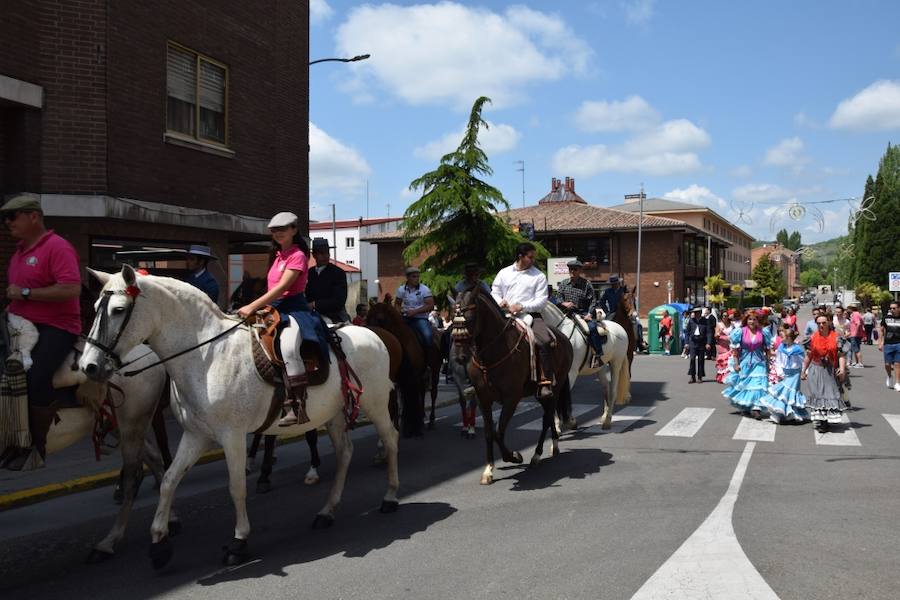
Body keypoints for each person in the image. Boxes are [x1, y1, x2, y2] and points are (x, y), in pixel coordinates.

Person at [1, 194, 81, 469]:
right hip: (21, 325)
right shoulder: (18, 254)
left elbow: (71, 289)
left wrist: (25, 293)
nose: (7, 222)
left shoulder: (57, 247)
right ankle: (11, 436)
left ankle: (36, 446)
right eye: (5, 218)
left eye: (12, 216)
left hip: (57, 326)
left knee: (35, 376)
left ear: (33, 216)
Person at [237, 211, 319, 426]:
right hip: (272, 308)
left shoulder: (298, 255)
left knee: (289, 347)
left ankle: (297, 405)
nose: (278, 233)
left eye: (282, 229)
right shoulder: (277, 255)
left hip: (293, 309)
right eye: (274, 230)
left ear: (294, 230)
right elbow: (270, 287)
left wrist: (252, 306)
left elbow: (283, 288)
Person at [491, 242, 554, 398]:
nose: (533, 260)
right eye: (530, 257)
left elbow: (541, 301)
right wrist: (499, 301)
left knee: (544, 340)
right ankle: (477, 377)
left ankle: (544, 380)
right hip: (504, 314)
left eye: (533, 257)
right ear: (520, 256)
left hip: (530, 315)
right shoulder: (504, 273)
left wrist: (521, 306)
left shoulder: (539, 276)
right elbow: (495, 291)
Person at [723, 310, 775, 419]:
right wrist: (736, 364)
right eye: (750, 319)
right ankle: (747, 406)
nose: (752, 321)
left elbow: (767, 349)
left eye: (754, 319)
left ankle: (756, 408)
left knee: (758, 385)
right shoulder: (740, 332)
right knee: (746, 386)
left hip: (759, 362)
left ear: (757, 321)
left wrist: (769, 363)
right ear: (746, 320)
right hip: (745, 362)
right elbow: (735, 350)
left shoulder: (763, 332)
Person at [802, 314, 848, 431]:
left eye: (824, 323)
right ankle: (822, 421)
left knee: (830, 394)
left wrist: (842, 369)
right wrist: (803, 370)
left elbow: (841, 355)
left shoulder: (836, 337)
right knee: (817, 395)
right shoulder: (812, 337)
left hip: (830, 370)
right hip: (815, 370)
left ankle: (827, 419)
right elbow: (808, 356)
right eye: (818, 323)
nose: (821, 325)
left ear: (829, 323)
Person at [554, 259, 604, 367]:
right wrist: (564, 303)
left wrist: (589, 314)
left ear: (580, 270)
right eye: (570, 269)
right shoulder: (563, 283)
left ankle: (598, 355)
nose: (572, 271)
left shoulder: (587, 284)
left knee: (592, 328)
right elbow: (557, 299)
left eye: (575, 269)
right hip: (566, 313)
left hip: (583, 313)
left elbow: (593, 301)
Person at [765, 328, 807, 424]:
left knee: (789, 393)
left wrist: (804, 372)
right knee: (784, 394)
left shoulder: (797, 349)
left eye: (783, 337)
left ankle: (791, 413)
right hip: (785, 373)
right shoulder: (781, 348)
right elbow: (778, 360)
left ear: (789, 338)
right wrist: (779, 371)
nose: (781, 339)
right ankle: (780, 414)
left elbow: (803, 361)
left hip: (795, 374)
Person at [306, 237, 350, 323]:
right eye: (321, 253)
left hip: (335, 316)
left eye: (327, 253)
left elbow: (339, 301)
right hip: (312, 314)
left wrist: (314, 304)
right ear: (314, 255)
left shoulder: (338, 273)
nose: (325, 256)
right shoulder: (309, 273)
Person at [396, 266, 435, 360]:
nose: (416, 279)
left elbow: (430, 305)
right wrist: (399, 312)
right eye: (414, 276)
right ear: (407, 277)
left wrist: (415, 312)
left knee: (428, 336)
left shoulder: (424, 289)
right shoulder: (401, 290)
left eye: (418, 276)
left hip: (420, 318)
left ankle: (430, 360)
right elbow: (397, 304)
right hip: (405, 317)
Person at [686, 307, 712, 383]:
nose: (696, 314)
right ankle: (692, 376)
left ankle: (700, 377)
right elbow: (687, 332)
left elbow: (709, 333)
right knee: (692, 359)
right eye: (695, 312)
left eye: (697, 312)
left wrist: (708, 343)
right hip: (693, 342)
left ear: (700, 313)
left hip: (701, 342)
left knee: (701, 360)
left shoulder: (705, 321)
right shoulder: (691, 320)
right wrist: (687, 343)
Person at [880, 301, 900, 392]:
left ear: (899, 308)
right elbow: (882, 330)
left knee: (897, 364)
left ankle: (897, 382)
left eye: (894, 308)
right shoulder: (886, 318)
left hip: (899, 343)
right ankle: (889, 376)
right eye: (891, 308)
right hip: (888, 343)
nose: (892, 310)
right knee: (887, 364)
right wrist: (880, 342)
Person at [714, 310, 736, 383]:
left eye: (726, 316)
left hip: (731, 344)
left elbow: (735, 333)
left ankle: (729, 376)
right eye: (723, 316)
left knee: (730, 360)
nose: (725, 317)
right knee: (723, 361)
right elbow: (716, 335)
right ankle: (722, 377)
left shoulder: (732, 324)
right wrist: (718, 334)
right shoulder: (719, 324)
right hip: (722, 344)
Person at [847, 303, 864, 368]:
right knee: (855, 348)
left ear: (851, 308)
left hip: (855, 334)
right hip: (856, 334)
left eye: (849, 308)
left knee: (856, 349)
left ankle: (860, 363)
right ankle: (857, 362)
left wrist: (855, 332)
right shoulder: (856, 314)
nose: (848, 309)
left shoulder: (855, 314)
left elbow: (858, 323)